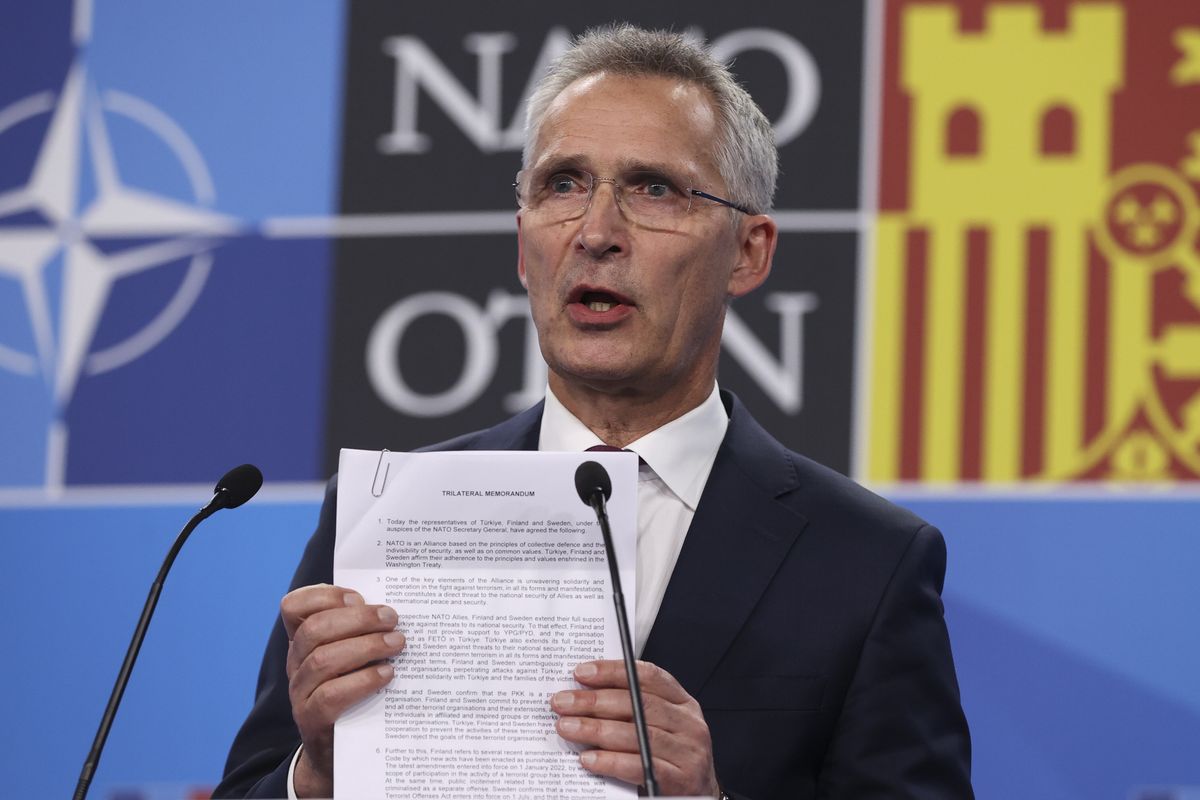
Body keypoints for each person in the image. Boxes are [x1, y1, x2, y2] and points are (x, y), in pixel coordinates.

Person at [214, 23, 972, 800]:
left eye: (653, 189)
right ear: (522, 244)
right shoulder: (383, 518)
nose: (596, 233)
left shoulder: (868, 563)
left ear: (749, 252)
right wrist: (319, 774)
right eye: (563, 185)